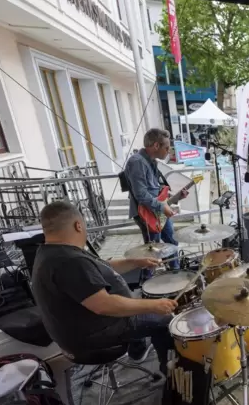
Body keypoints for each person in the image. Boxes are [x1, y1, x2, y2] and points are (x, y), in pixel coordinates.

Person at [31, 201, 177, 372]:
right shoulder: (69, 261)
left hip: (76, 331)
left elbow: (101, 267)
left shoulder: (52, 252)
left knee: (138, 306)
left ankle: (137, 347)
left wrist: (136, 262)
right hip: (93, 335)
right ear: (78, 225)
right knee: (165, 320)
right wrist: (154, 305)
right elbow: (104, 305)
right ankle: (170, 371)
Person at [124, 129, 187, 270]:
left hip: (157, 211)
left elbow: (156, 191)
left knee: (172, 242)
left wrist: (175, 197)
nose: (169, 151)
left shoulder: (151, 162)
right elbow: (141, 194)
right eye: (166, 147)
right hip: (146, 213)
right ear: (156, 146)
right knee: (152, 253)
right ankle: (148, 284)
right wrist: (162, 207)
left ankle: (175, 273)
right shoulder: (137, 162)